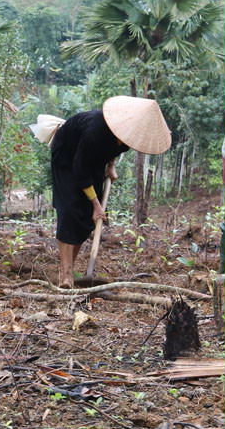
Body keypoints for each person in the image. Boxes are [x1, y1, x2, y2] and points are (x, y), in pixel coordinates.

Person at [50, 96, 171, 289]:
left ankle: (69, 267)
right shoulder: (94, 133)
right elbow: (80, 170)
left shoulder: (130, 137)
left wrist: (110, 166)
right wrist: (97, 205)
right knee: (70, 211)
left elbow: (116, 151)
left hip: (93, 159)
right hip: (67, 154)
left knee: (85, 220)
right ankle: (65, 276)